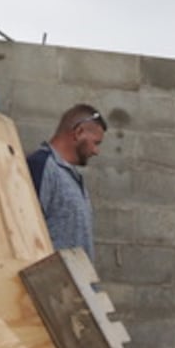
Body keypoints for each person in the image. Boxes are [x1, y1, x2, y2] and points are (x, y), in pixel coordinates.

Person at [27, 104, 108, 260]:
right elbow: (26, 234)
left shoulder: (71, 176)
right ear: (78, 132)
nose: (96, 151)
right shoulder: (42, 166)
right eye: (95, 143)